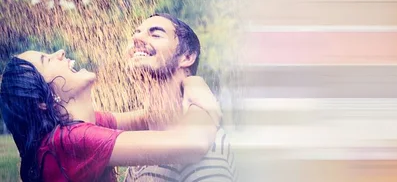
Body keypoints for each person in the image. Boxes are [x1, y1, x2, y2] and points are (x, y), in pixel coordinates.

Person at [0, 49, 218, 182]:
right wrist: (199, 89)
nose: (60, 53)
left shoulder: (77, 128)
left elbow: (148, 118)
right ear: (41, 102)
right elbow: (195, 142)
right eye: (48, 60)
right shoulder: (71, 141)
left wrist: (175, 81)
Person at [123, 13, 236, 182]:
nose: (136, 37)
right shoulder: (150, 140)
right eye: (136, 32)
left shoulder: (205, 151)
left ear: (187, 57)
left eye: (155, 34)